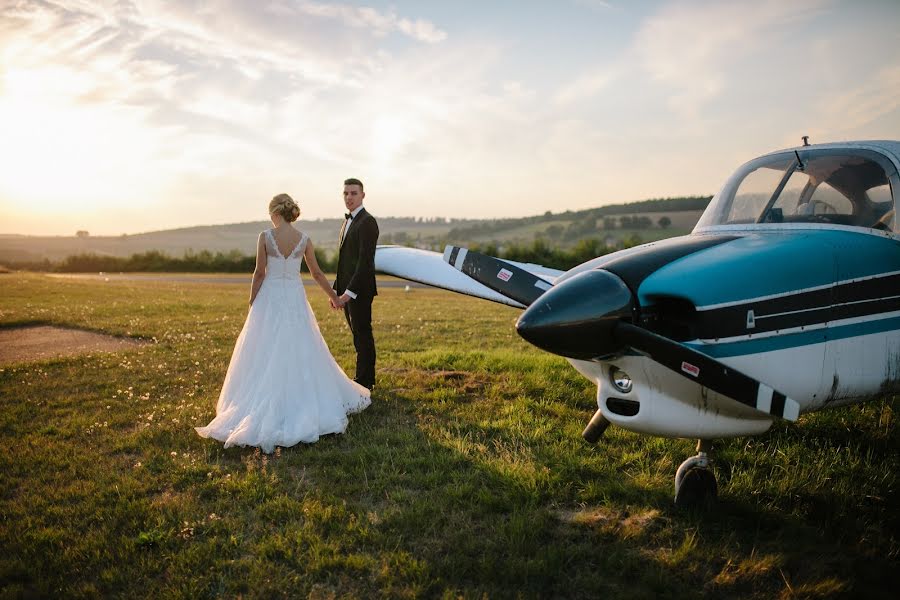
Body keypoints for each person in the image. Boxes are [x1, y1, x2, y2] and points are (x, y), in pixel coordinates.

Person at [195, 194, 370, 453]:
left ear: (274, 213)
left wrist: (253, 299)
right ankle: (300, 399)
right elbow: (317, 273)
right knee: (300, 345)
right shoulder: (304, 239)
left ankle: (260, 401)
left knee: (263, 347)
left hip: (271, 297)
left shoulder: (265, 237)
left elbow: (260, 272)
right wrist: (334, 297)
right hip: (295, 298)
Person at [331, 178, 379, 390]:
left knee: (362, 336)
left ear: (362, 195)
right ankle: (362, 378)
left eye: (353, 193)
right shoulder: (347, 221)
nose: (349, 197)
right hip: (347, 289)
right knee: (357, 335)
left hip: (359, 291)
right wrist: (336, 289)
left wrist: (349, 293)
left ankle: (365, 382)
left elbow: (364, 262)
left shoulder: (368, 222)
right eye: (346, 193)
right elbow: (346, 262)